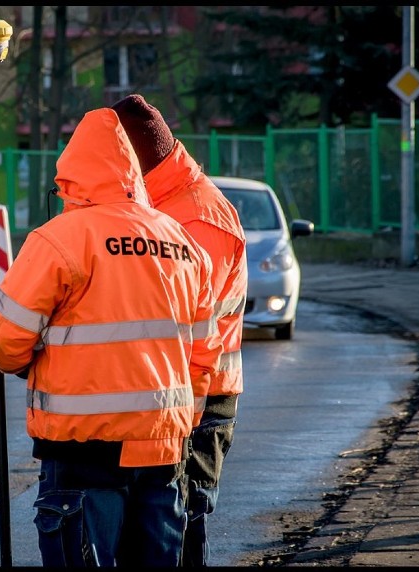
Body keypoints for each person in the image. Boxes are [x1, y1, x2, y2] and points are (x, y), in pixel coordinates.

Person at [0, 108, 222, 567]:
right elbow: (204, 354)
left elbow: (8, 345)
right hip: (162, 451)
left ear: (69, 177)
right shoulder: (181, 242)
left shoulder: (60, 240)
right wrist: (179, 425)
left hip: (81, 454)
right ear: (133, 171)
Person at [112, 94, 248, 567]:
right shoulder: (162, 201)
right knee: (159, 525)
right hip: (174, 389)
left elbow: (189, 329)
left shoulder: (193, 217)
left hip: (199, 396)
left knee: (179, 523)